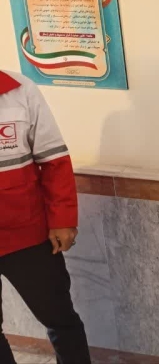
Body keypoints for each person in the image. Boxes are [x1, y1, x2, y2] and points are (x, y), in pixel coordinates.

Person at [0, 70, 91, 364]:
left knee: (60, 318)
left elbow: (54, 160)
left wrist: (63, 219)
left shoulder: (20, 90)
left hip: (27, 235)